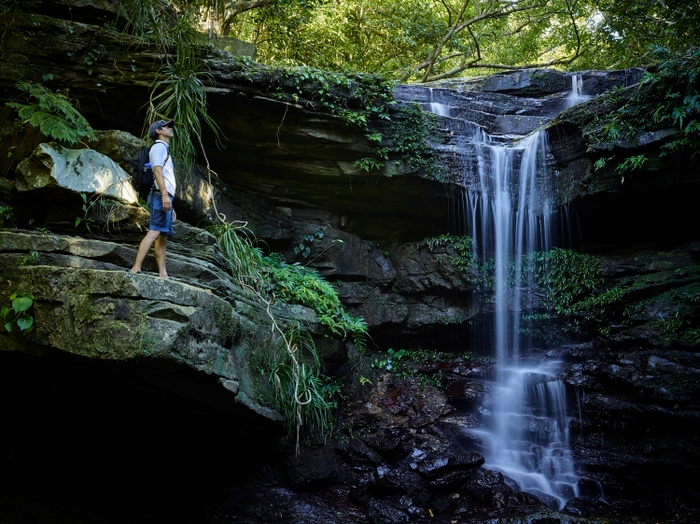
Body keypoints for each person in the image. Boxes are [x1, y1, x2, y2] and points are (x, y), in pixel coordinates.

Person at [130, 119, 176, 278]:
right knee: (154, 231)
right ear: (158, 131)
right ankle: (136, 268)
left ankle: (163, 274)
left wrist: (170, 202)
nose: (170, 128)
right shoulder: (158, 147)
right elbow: (157, 171)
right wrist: (164, 194)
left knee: (162, 237)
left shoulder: (164, 148)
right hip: (159, 194)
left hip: (163, 195)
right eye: (166, 126)